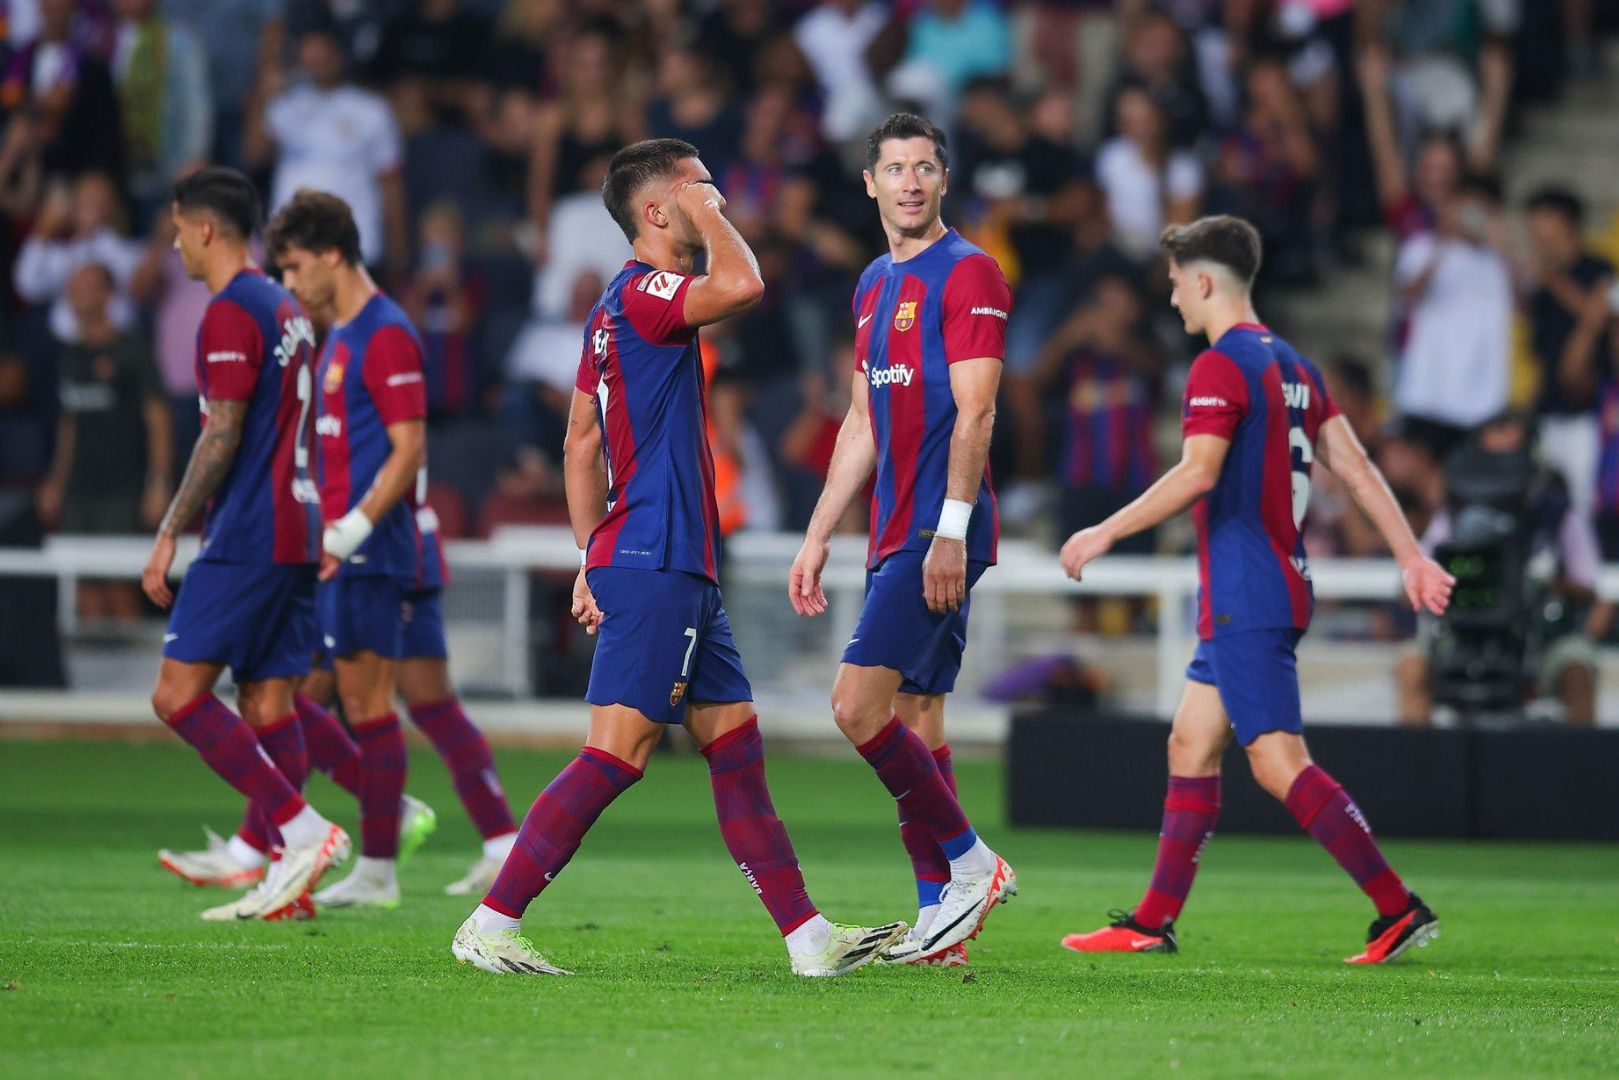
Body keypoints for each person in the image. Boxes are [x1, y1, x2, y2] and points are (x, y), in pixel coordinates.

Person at [451, 138, 907, 978]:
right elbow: (744, 284)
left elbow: (580, 442)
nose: (717, 201)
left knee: (734, 748)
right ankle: (491, 920)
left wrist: (592, 555)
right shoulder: (646, 294)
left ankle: (809, 939)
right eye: (699, 191)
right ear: (656, 212)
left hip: (670, 559)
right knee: (617, 753)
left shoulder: (611, 314)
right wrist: (715, 219)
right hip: (658, 555)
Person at [1056, 215, 1454, 964]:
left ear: (1204, 281)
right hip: (1273, 583)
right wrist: (1409, 556)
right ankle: (1150, 922)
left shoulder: (1218, 366)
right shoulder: (1295, 365)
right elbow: (1357, 466)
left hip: (1246, 588)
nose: (1172, 300)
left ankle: (1397, 907)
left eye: (1176, 285)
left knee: (1276, 762)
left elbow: (1198, 472)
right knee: (1190, 741)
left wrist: (1104, 531)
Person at [788, 113, 1017, 968]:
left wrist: (950, 532)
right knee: (917, 720)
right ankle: (941, 930)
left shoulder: (970, 273)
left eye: (924, 167)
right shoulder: (873, 284)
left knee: (856, 707)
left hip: (936, 530)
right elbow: (860, 421)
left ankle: (970, 867)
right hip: (894, 531)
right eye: (894, 168)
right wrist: (816, 535)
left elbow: (978, 410)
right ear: (871, 183)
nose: (910, 181)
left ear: (944, 179)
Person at [140, 167, 349, 922]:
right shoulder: (286, 307)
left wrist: (168, 535)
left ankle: (301, 832)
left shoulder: (231, 312)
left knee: (176, 695)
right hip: (296, 522)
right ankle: (284, 885)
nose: (173, 243)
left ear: (204, 229)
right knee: (267, 703)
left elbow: (222, 431)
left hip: (250, 529)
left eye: (175, 228)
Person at [267, 189, 430, 909]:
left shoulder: (386, 331)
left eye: (296, 266)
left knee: (366, 705)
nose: (290, 281)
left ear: (333, 253)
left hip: (367, 549)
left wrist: (351, 530)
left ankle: (379, 868)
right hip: (330, 547)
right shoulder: (340, 335)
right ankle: (359, 827)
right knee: (285, 691)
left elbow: (408, 448)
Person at [38, 263, 171, 619]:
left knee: (120, 588)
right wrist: (55, 482)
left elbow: (158, 418)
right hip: (80, 491)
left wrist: (158, 484)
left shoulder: (132, 350)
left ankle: (135, 676)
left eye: (88, 286)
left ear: (108, 295)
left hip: (122, 489)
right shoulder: (70, 355)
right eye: (74, 286)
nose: (79, 294)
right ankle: (90, 677)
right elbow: (70, 424)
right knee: (84, 593)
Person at [1522, 186, 1615, 522]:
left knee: (1584, 503)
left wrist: (1551, 277)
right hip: (1549, 406)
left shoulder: (1598, 269)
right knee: (1544, 500)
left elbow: (1598, 315)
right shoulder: (1541, 285)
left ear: (1566, 222)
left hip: (1589, 411)